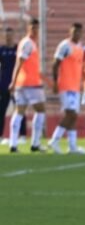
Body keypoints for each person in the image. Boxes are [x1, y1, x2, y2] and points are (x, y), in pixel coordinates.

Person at [47, 22, 85, 154]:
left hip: (75, 87)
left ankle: (72, 146)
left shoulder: (81, 47)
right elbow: (55, 64)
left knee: (74, 116)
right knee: (70, 114)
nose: (77, 34)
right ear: (70, 32)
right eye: (74, 31)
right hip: (65, 85)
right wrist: (54, 82)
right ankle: (54, 140)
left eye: (79, 32)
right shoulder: (65, 46)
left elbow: (80, 67)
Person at [8, 18, 47, 152]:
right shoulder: (28, 43)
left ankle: (13, 144)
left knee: (20, 111)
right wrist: (13, 81)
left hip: (23, 83)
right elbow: (19, 62)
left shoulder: (29, 43)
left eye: (37, 28)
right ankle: (35, 143)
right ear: (28, 29)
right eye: (33, 28)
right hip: (30, 84)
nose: (35, 31)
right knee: (40, 110)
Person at [0, 26, 27, 146]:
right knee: (1, 110)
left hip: (17, 84)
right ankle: (0, 136)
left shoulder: (18, 49)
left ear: (13, 35)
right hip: (3, 84)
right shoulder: (1, 50)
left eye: (10, 34)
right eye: (6, 34)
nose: (8, 37)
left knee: (20, 108)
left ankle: (22, 135)